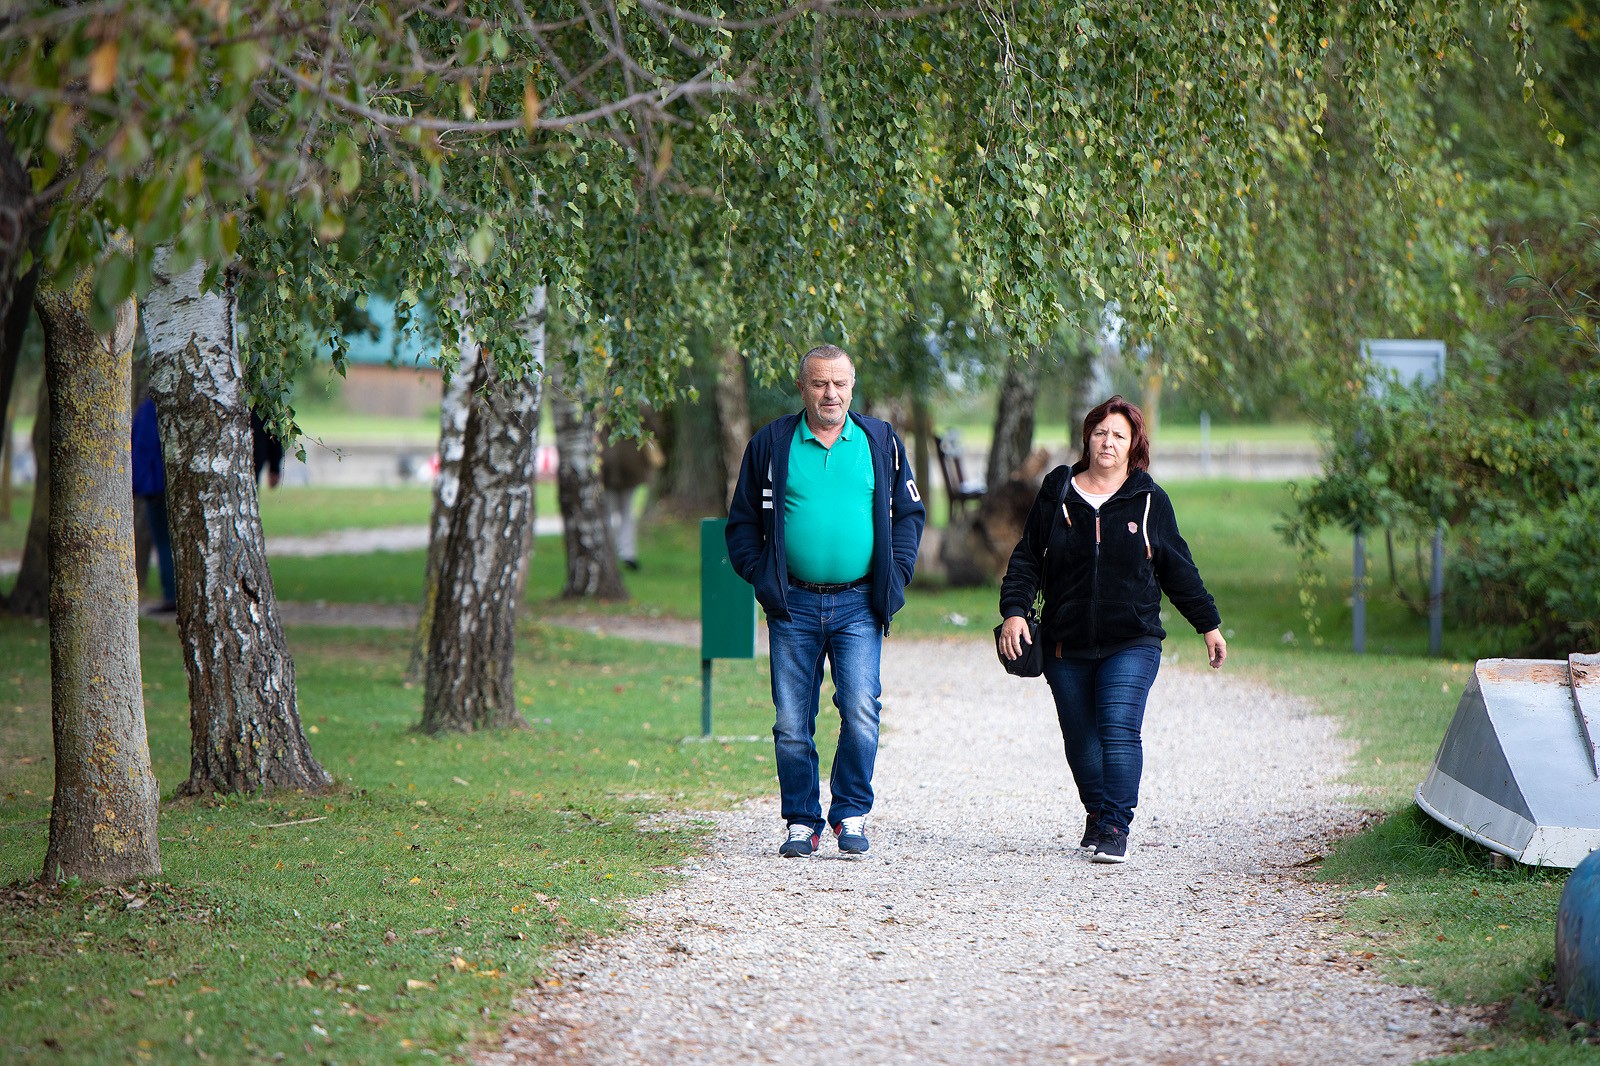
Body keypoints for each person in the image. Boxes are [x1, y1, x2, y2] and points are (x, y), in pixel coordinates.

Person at [997, 395, 1226, 864]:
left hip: (1132, 640)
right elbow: (1026, 557)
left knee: (1119, 727)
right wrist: (1015, 611)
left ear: (1133, 444)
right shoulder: (1058, 489)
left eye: (1119, 435)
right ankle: (1098, 812)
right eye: (1101, 432)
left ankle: (1116, 825)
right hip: (1066, 642)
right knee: (1081, 740)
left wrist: (1209, 625)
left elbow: (1177, 568)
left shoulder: (1148, 499)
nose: (1108, 442)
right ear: (1087, 437)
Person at [726, 344, 925, 858]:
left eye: (839, 383)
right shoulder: (771, 444)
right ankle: (801, 820)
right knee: (792, 720)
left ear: (852, 386)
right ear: (803, 387)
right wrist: (761, 577)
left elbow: (908, 515)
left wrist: (896, 573)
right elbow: (742, 523)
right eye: (819, 383)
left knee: (860, 708)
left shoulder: (880, 441)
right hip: (792, 604)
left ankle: (851, 813)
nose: (830, 393)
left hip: (860, 603)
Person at [600, 408, 664, 571]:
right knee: (625, 512)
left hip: (608, 464)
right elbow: (654, 429)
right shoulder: (638, 405)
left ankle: (611, 553)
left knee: (610, 511)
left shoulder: (602, 405)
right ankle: (627, 552)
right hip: (629, 464)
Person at [131, 395, 176, 614]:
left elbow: (142, 447)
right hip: (170, 482)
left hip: (157, 485)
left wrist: (139, 483)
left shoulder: (151, 408)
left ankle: (172, 594)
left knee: (164, 540)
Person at [251, 409, 285, 488]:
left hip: (257, 453)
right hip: (257, 452)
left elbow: (275, 433)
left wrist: (274, 467)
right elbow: (275, 434)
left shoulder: (262, 401)